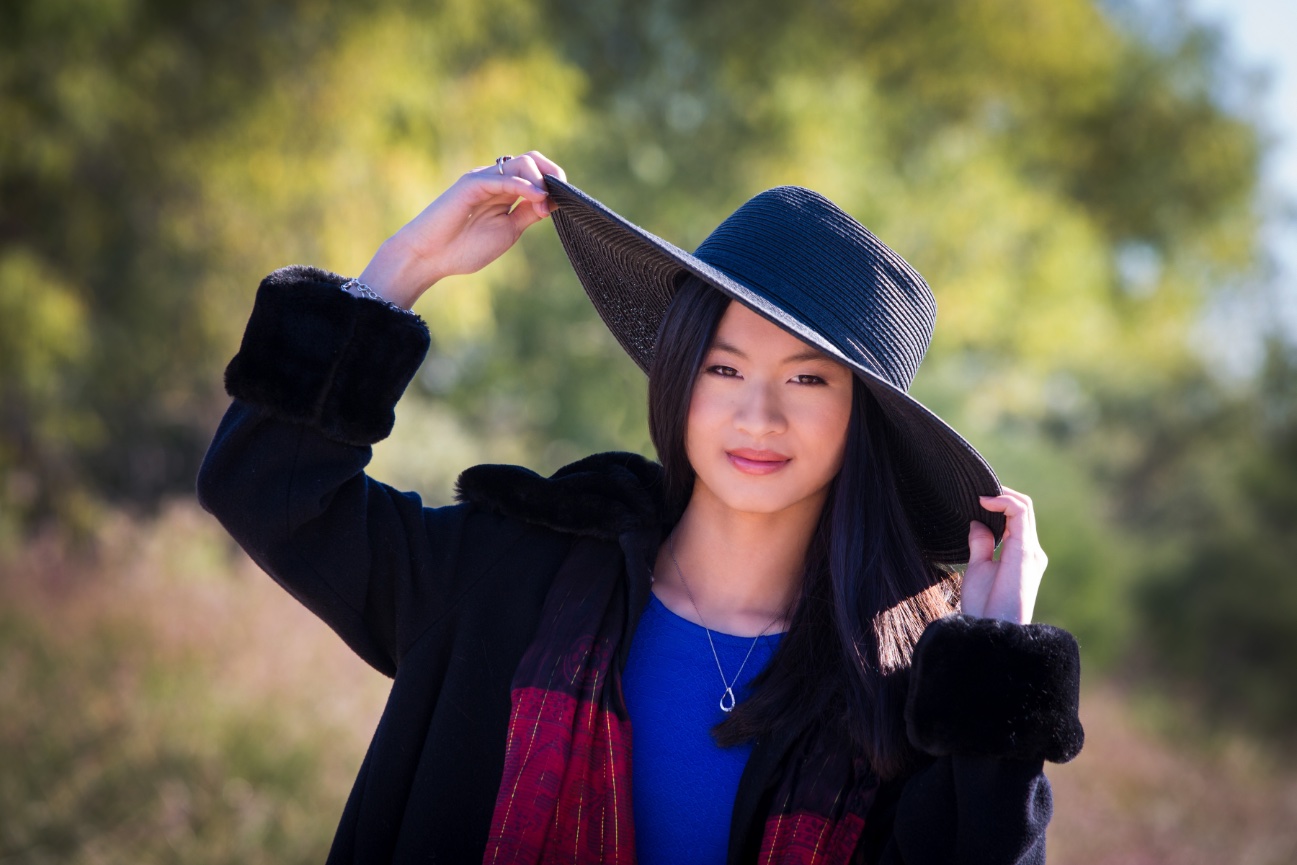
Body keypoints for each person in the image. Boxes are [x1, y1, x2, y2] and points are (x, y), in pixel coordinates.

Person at [197, 150, 1083, 864]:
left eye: (806, 379)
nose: (757, 416)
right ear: (678, 374)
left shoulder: (905, 686)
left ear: (864, 422)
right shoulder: (510, 577)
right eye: (723, 367)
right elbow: (268, 488)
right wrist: (406, 266)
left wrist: (995, 668)